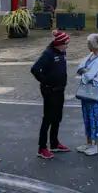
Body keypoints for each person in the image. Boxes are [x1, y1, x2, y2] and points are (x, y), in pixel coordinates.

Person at [31, 30, 71, 159]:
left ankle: (54, 143)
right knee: (48, 118)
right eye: (65, 43)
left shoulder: (62, 52)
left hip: (60, 90)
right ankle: (42, 148)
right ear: (59, 44)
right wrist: (46, 82)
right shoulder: (48, 54)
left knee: (57, 117)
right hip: (50, 91)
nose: (67, 45)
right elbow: (35, 69)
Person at [76, 34, 98, 156]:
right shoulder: (91, 55)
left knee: (96, 116)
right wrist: (85, 71)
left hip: (94, 89)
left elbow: (87, 74)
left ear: (93, 45)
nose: (87, 45)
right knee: (87, 116)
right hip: (88, 89)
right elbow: (80, 68)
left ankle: (96, 145)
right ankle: (89, 143)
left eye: (88, 43)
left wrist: (84, 71)